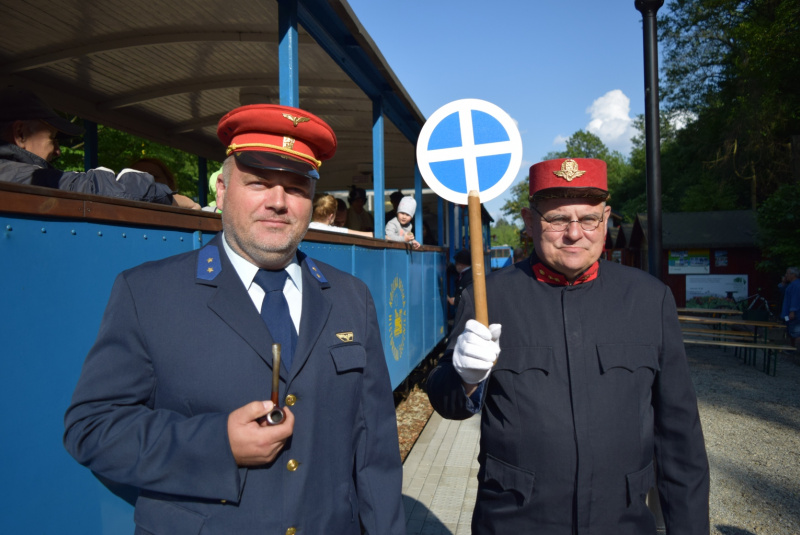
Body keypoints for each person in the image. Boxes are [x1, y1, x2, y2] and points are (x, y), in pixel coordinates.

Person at [63, 104, 405, 534]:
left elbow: (374, 451)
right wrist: (217, 443)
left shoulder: (351, 297)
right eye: (259, 183)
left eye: (296, 189)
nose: (278, 202)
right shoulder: (148, 293)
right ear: (222, 191)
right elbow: (91, 429)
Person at [426, 157, 710, 534]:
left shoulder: (648, 299)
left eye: (588, 219)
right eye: (558, 219)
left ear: (606, 219)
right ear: (529, 222)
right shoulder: (488, 296)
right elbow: (447, 402)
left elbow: (680, 437)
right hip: (517, 521)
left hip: (621, 522)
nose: (574, 233)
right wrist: (464, 379)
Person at [0, 86, 198, 209]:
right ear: (21, 134)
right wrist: (170, 198)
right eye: (52, 138)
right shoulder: (15, 175)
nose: (58, 151)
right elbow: (95, 188)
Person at [781, 266, 800, 347]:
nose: (786, 275)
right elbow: (782, 291)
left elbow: (795, 299)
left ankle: (795, 349)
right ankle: (792, 347)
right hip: (788, 313)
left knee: (795, 331)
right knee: (790, 329)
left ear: (793, 275)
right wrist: (783, 283)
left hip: (793, 314)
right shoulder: (791, 285)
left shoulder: (796, 285)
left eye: (787, 273)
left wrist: (792, 311)